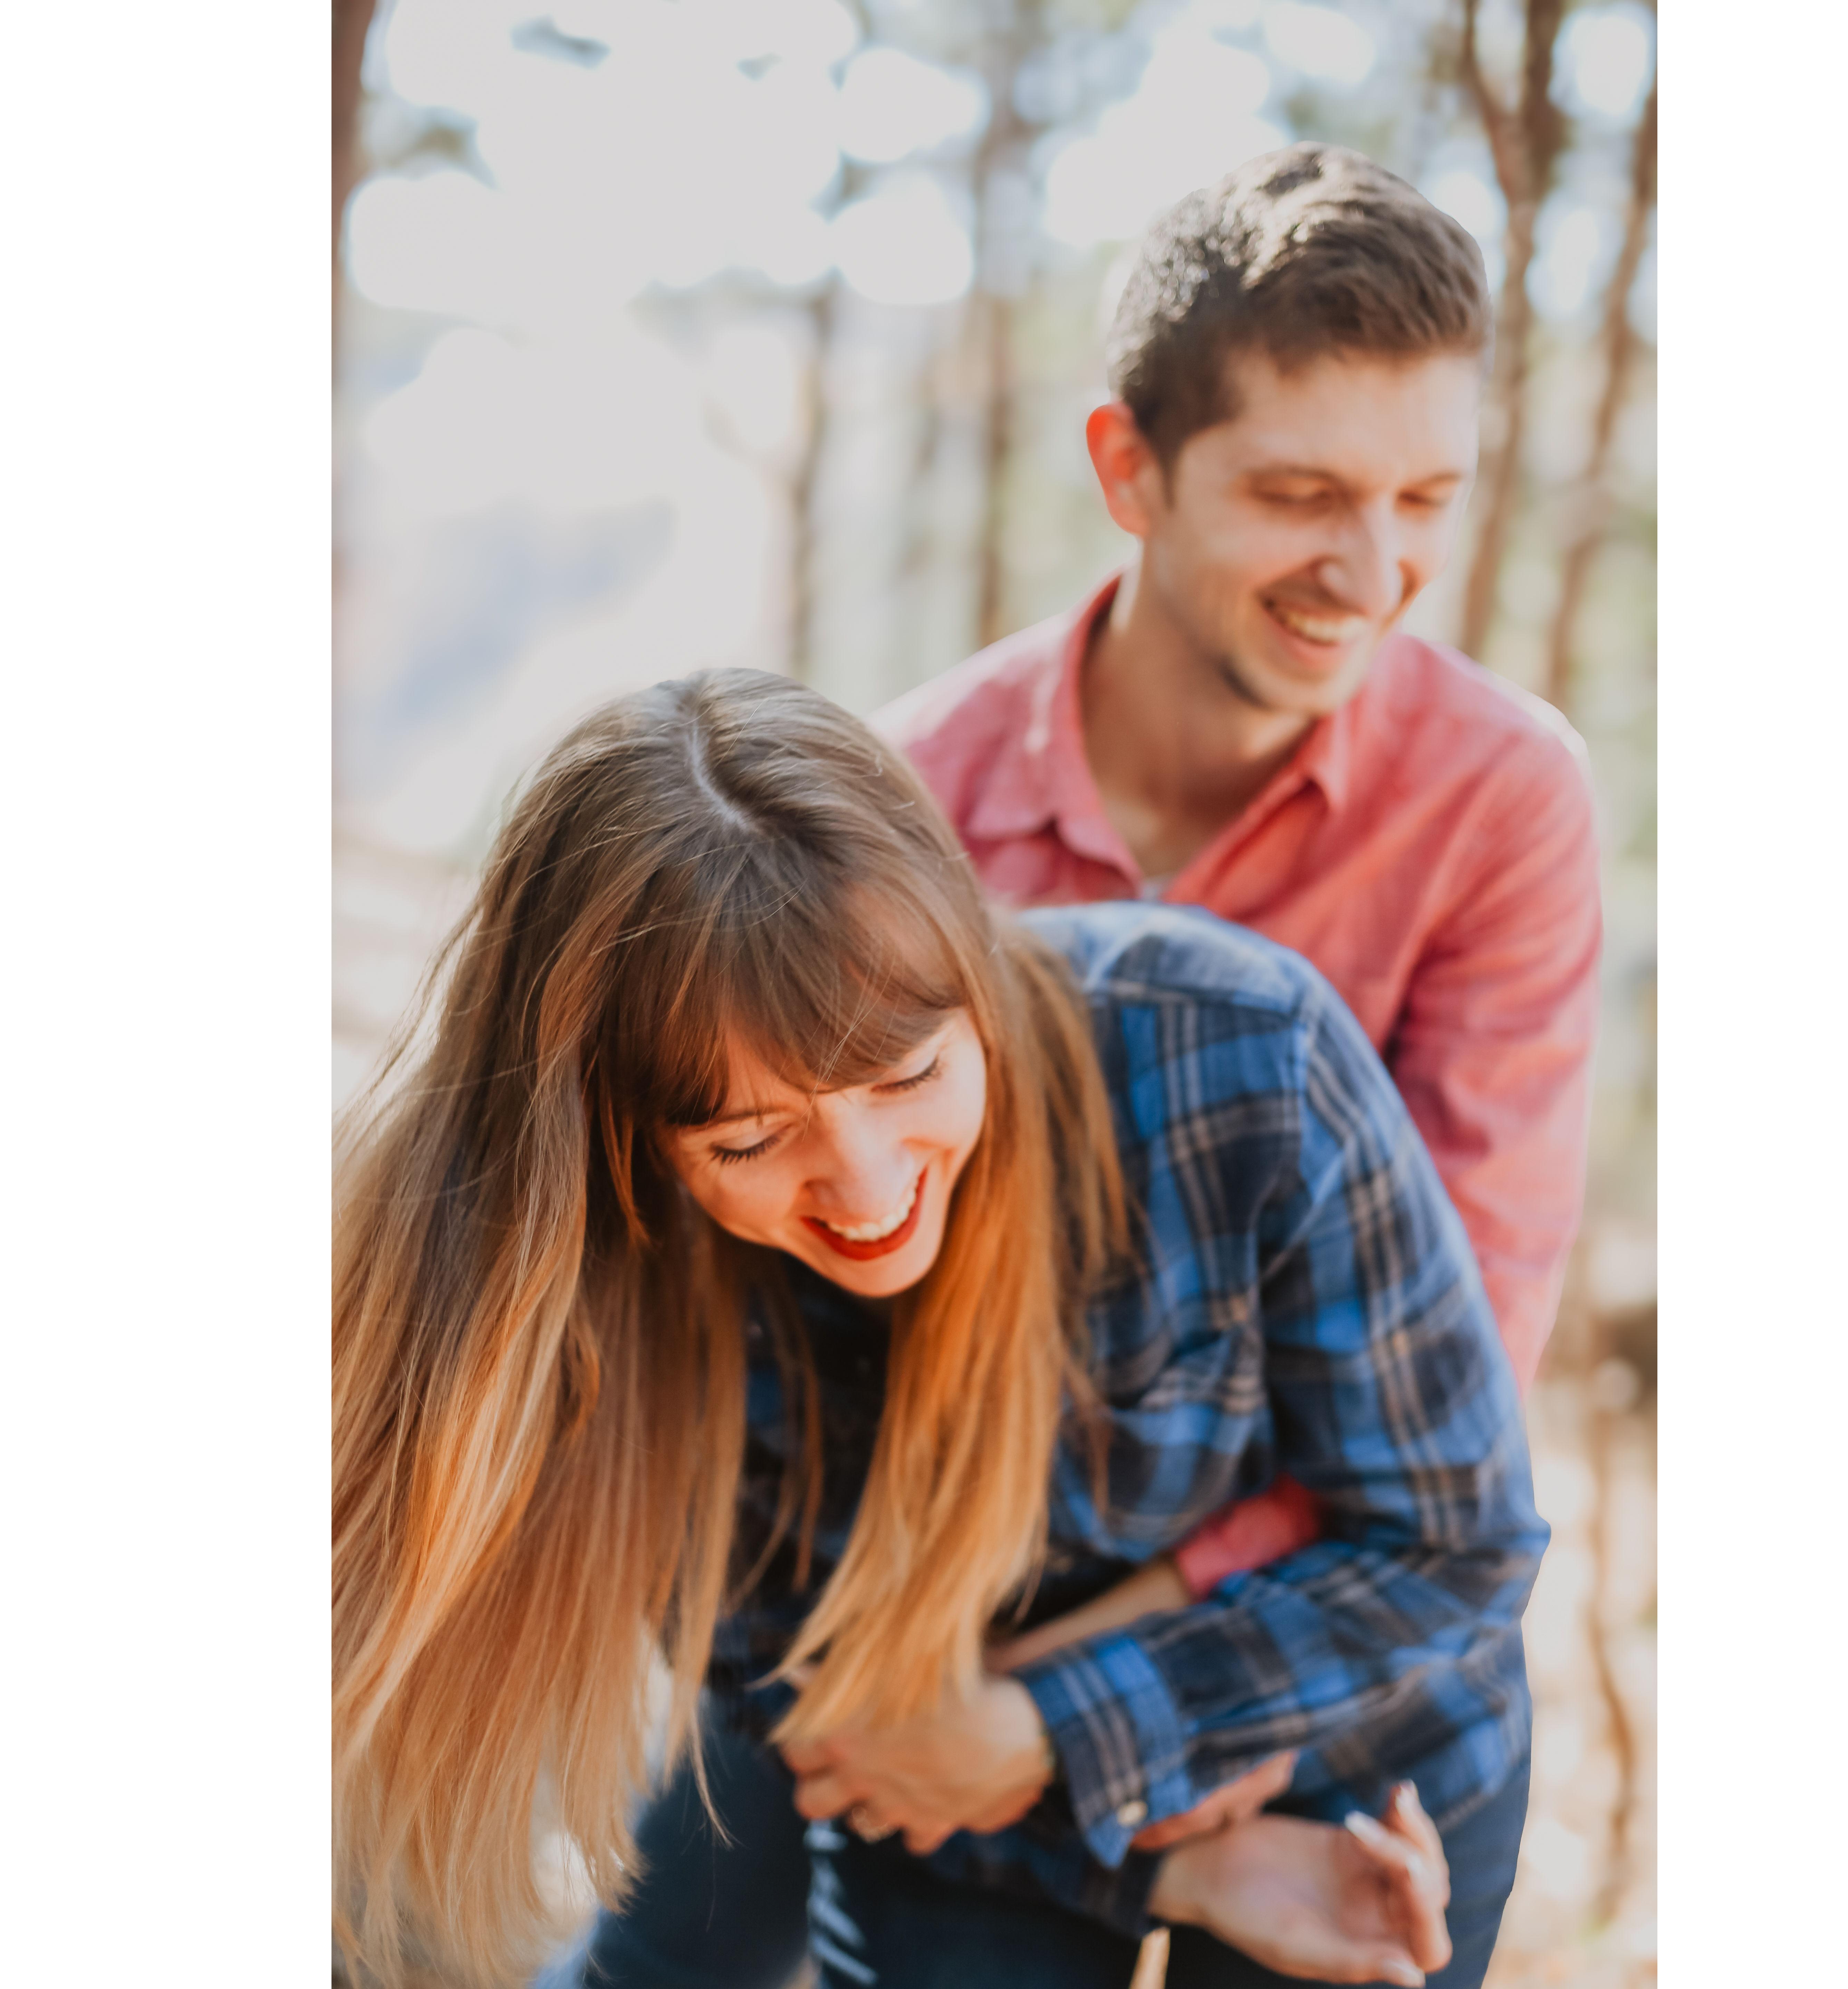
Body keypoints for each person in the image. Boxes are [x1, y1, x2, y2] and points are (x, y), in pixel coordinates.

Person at [335, 671, 1546, 1989]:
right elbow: (799, 1704)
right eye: (749, 1140)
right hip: (952, 1825)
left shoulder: (1244, 1056)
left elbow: (1457, 1543)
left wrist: (1048, 1724)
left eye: (909, 1073)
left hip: (1358, 1748)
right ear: (631, 1140)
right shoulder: (613, 1292)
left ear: (972, 966)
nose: (865, 1194)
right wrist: (1167, 1868)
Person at [875, 142, 1601, 1397]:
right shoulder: (898, 804)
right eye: (1300, 495)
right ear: (1130, 471)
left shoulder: (1503, 799)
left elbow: (1451, 1361)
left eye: (1425, 500)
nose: (1371, 576)